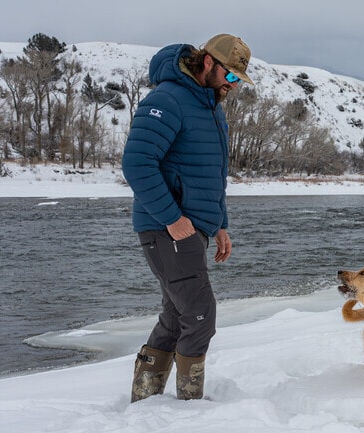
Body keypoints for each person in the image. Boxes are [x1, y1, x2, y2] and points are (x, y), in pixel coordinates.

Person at [121, 34, 254, 402]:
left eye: (238, 81)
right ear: (208, 63)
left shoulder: (210, 106)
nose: (233, 86)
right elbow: (136, 163)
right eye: (230, 76)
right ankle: (188, 409)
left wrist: (221, 223)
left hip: (191, 228)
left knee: (176, 315)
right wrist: (172, 218)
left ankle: (146, 402)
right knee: (199, 315)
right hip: (167, 228)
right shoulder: (167, 99)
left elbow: (212, 173)